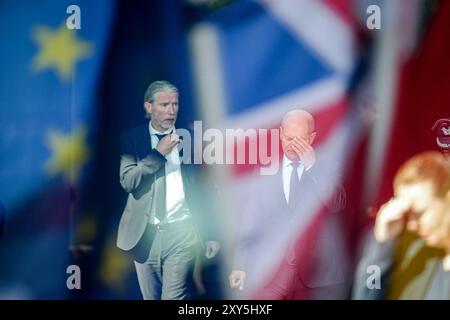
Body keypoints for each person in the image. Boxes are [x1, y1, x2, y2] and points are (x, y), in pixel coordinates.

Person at [116, 80, 220, 300]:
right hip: (145, 236)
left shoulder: (190, 138)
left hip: (183, 232)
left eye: (175, 104)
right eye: (164, 105)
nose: (171, 110)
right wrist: (158, 154)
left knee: (174, 297)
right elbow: (128, 182)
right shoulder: (132, 139)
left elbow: (205, 189)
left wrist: (211, 233)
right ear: (149, 107)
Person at [229, 109, 348, 299]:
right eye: (288, 138)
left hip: (318, 273)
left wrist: (312, 167)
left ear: (312, 137)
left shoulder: (329, 165)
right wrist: (239, 266)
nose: (293, 145)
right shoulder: (263, 175)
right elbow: (250, 223)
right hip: (275, 272)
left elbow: (338, 204)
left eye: (299, 139)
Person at [352, 151, 450, 299]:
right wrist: (381, 247)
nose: (411, 225)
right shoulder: (420, 256)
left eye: (419, 213)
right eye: (407, 215)